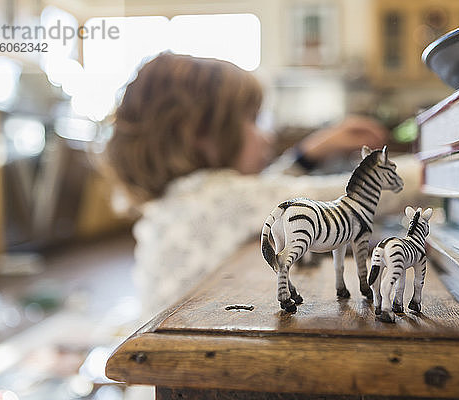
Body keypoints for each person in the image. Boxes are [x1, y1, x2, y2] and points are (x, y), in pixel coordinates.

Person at [105, 52, 422, 319]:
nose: (266, 135)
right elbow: (341, 200)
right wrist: (442, 166)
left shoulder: (191, 197)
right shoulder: (222, 199)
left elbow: (262, 192)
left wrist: (307, 154)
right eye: (253, 120)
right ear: (200, 134)